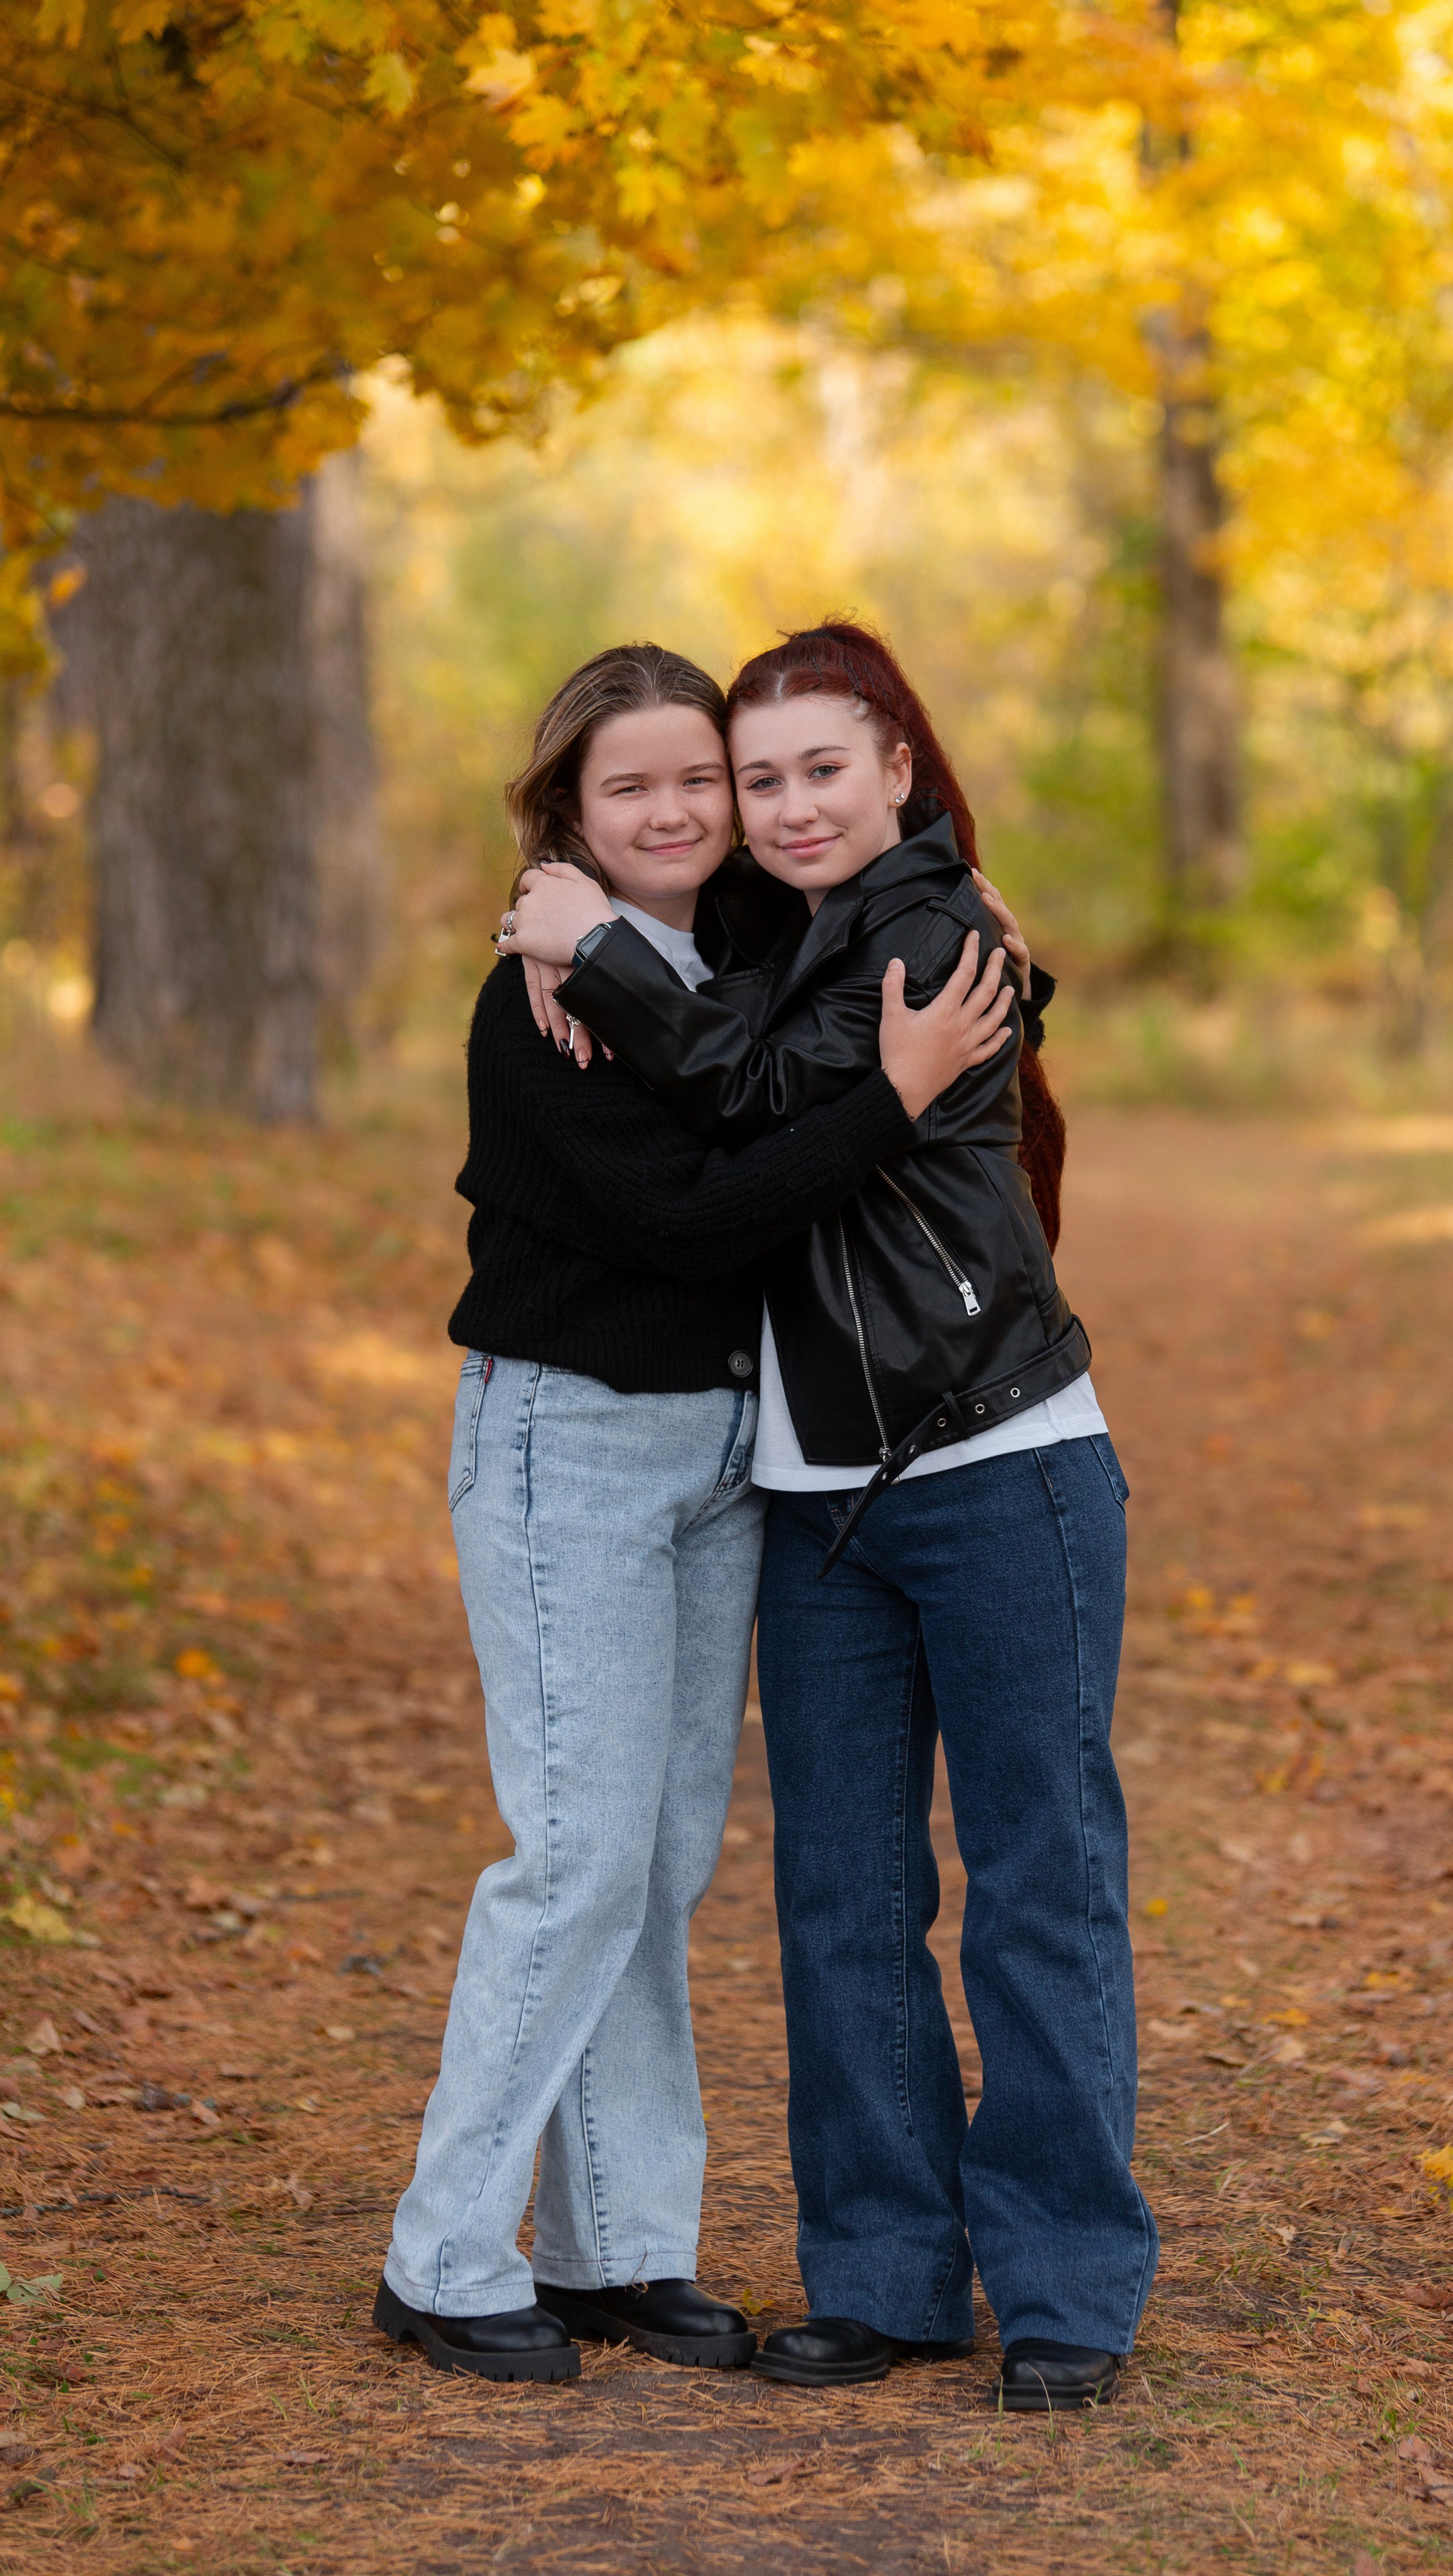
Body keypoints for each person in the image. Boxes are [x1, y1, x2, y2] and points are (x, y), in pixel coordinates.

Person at [502, 622, 1158, 2412]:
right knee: (844, 1899)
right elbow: (701, 1035)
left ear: (895, 768)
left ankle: (1063, 2290)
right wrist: (566, 921)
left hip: (1001, 1462)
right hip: (818, 1505)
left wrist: (603, 960)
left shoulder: (935, 931)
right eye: (757, 777)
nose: (783, 808)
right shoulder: (775, 940)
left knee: (1041, 1885)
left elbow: (756, 1090)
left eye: (818, 770)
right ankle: (880, 2277)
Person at [375, 641, 1016, 2383]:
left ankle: (617, 2247)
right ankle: (443, 2252)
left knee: (655, 1869)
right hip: (562, 1440)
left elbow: (871, 947)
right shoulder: (542, 994)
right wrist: (886, 1106)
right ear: (567, 817)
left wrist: (963, 893)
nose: (681, 809)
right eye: (629, 787)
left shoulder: (732, 952)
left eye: (701, 781)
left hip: (725, 1452)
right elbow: (701, 1218)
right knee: (573, 1858)